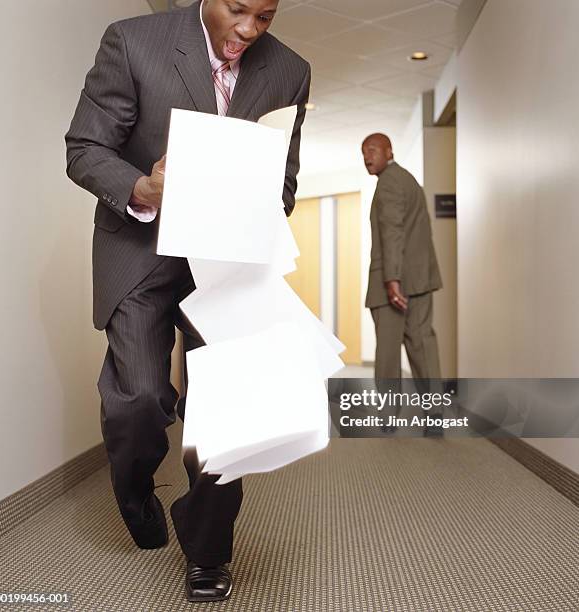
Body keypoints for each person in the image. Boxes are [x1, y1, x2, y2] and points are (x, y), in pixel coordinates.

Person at [65, 0, 310, 603]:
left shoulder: (291, 71)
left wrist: (256, 204)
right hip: (142, 245)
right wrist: (141, 186)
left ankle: (207, 550)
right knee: (138, 401)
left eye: (267, 16)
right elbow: (85, 149)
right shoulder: (132, 41)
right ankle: (135, 487)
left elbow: (284, 180)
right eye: (238, 10)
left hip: (227, 261)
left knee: (227, 411)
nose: (249, 30)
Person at [361, 134, 442, 426]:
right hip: (420, 279)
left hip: (393, 283)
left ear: (389, 151)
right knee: (422, 345)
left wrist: (392, 279)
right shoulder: (408, 180)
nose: (367, 157)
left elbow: (392, 231)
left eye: (372, 150)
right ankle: (434, 412)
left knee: (387, 351)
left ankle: (387, 414)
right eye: (363, 153)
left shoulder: (389, 183)